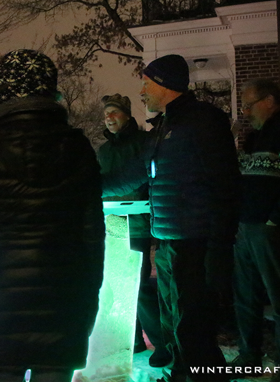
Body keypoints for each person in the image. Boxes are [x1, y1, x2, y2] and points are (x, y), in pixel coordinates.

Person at [0, 49, 105, 382]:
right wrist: (89, 297)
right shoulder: (77, 147)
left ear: (3, 92)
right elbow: (93, 235)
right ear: (50, 91)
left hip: (4, 300)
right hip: (66, 296)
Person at [102, 54, 240, 382]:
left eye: (147, 83)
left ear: (165, 84)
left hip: (195, 240)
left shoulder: (202, 121)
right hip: (168, 241)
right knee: (175, 320)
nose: (142, 91)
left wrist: (219, 244)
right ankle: (183, 373)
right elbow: (133, 173)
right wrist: (83, 186)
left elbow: (225, 181)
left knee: (192, 323)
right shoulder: (165, 126)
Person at [230, 79, 280, 382]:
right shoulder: (255, 138)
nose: (246, 111)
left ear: (270, 100)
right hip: (248, 227)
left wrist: (278, 218)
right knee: (245, 296)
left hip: (270, 230)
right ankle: (249, 355)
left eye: (250, 104)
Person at [97, 93, 168, 367]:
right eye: (106, 114)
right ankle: (134, 337)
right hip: (112, 222)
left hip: (137, 222)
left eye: (114, 112)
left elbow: (140, 179)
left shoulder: (142, 143)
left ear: (127, 115)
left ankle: (162, 342)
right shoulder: (104, 150)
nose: (109, 118)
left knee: (138, 285)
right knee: (119, 284)